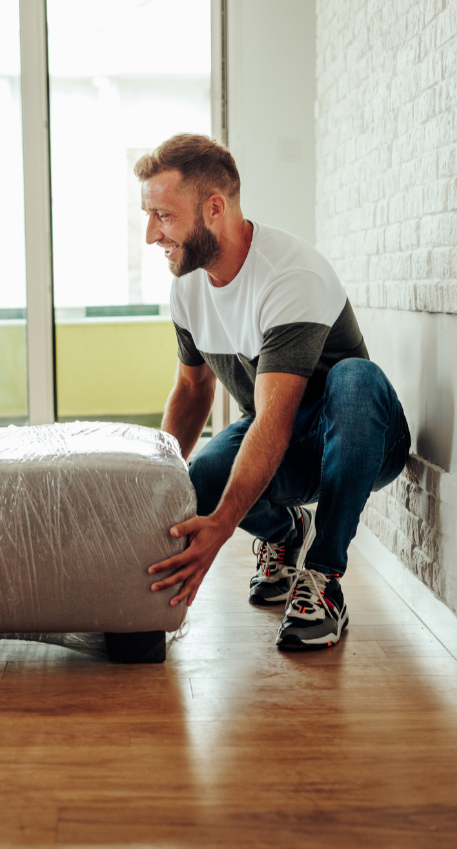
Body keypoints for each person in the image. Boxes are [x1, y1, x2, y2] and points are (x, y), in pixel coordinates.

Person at [138, 134, 410, 649]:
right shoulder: (188, 286)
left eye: (163, 216)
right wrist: (154, 485)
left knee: (356, 377)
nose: (151, 234)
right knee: (200, 477)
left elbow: (274, 422)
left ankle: (323, 579)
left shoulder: (289, 274)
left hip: (361, 441)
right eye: (148, 215)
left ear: (213, 208)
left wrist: (220, 528)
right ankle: (286, 533)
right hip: (286, 445)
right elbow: (192, 391)